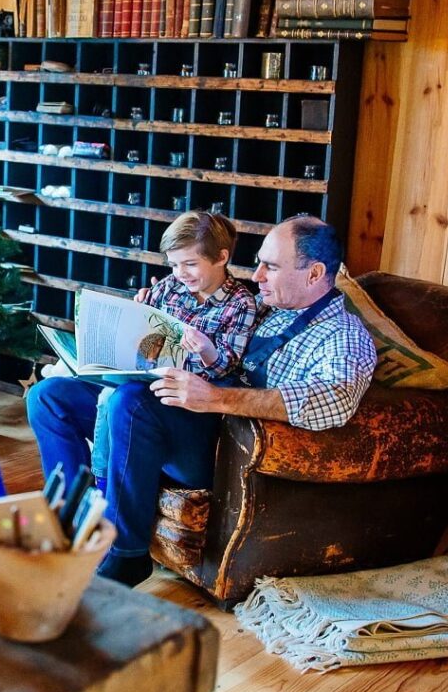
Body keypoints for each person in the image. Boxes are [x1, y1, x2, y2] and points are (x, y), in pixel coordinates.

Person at [26, 215, 377, 588]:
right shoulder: (269, 307)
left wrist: (216, 398)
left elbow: (334, 400)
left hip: (220, 445)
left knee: (132, 402)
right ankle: (70, 518)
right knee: (49, 397)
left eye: (270, 267)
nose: (256, 277)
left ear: (314, 273)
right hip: (179, 413)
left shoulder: (343, 336)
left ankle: (124, 556)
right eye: (259, 263)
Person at [89, 211, 258, 491]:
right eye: (174, 264)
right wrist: (136, 311)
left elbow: (225, 366)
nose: (180, 273)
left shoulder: (241, 303)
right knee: (72, 394)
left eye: (190, 264)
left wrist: (206, 349)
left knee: (118, 398)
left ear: (222, 257)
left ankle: (105, 488)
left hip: (193, 402)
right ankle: (98, 482)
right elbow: (142, 329)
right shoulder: (170, 286)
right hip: (151, 377)